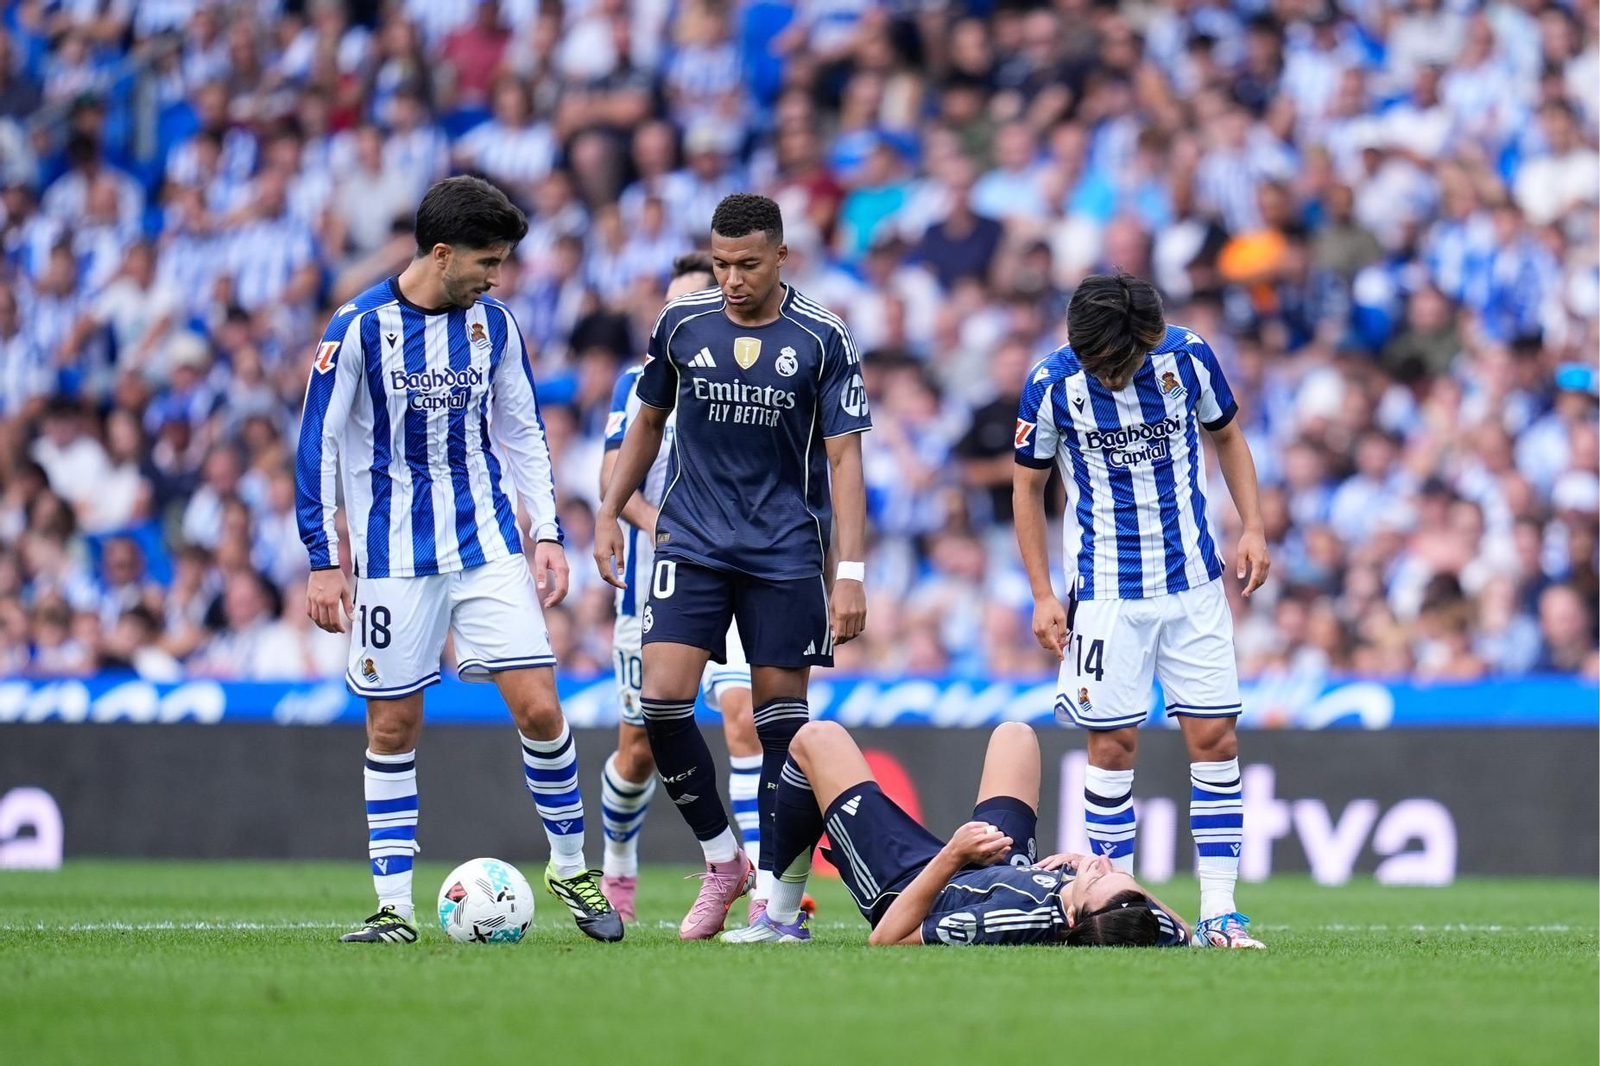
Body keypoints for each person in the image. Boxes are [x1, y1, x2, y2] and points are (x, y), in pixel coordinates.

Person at [296, 175, 622, 945]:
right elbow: (318, 443)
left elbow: (522, 429)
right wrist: (322, 555)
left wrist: (545, 529)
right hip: (389, 560)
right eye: (487, 261)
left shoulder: (495, 326)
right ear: (442, 254)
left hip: (486, 548)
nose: (496, 276)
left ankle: (572, 866)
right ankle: (393, 909)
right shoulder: (358, 329)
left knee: (541, 707)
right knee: (394, 724)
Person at [593, 193, 871, 941]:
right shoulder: (682, 324)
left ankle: (782, 913)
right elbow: (647, 424)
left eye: (747, 263)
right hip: (692, 543)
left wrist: (852, 572)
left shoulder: (824, 336)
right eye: (720, 264)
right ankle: (723, 862)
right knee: (660, 705)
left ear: (782, 256)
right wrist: (606, 513)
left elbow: (846, 459)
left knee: (784, 730)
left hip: (785, 550)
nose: (732, 278)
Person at [1012, 271, 1271, 949]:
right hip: (1104, 596)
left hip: (1193, 587)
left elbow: (1229, 437)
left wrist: (1254, 526)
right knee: (1112, 746)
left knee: (1215, 741)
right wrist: (1042, 591)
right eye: (1106, 364)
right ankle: (1113, 903)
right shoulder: (1050, 384)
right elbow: (1027, 487)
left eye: (1126, 360)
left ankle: (1220, 910)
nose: (1118, 373)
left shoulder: (1186, 357)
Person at [596, 250, 765, 923]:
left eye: (686, 302)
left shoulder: (748, 377)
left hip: (738, 576)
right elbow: (617, 482)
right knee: (638, 748)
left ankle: (756, 880)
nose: (672, 315)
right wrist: (676, 530)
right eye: (667, 304)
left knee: (744, 719)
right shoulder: (638, 382)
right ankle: (617, 868)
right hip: (655, 584)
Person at [762, 719, 1189, 947]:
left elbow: (886, 939)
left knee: (816, 739)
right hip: (998, 864)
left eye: (1095, 878)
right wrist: (1087, 874)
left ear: (1073, 917)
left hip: (916, 884)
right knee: (1016, 736)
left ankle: (779, 918)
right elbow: (1184, 930)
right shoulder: (1136, 924)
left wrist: (953, 854)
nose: (1098, 863)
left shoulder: (1006, 921)